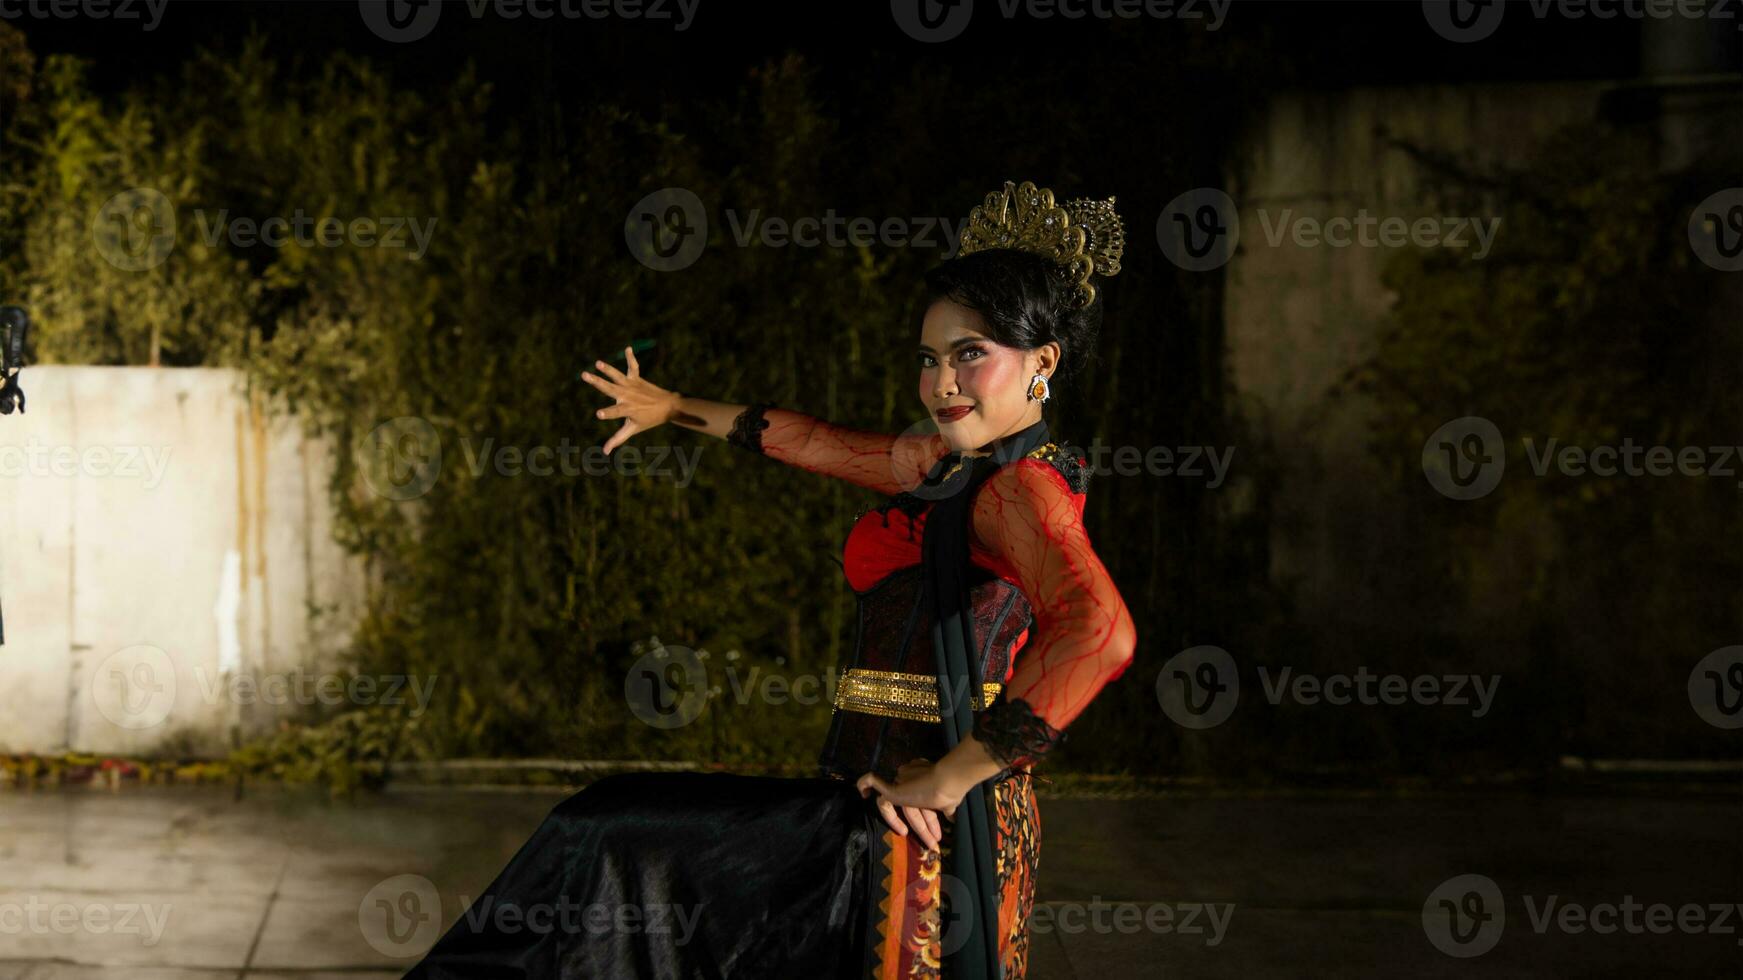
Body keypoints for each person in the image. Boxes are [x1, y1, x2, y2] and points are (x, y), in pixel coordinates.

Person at [404, 180, 1137, 979]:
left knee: (605, 837)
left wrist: (955, 774)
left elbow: (1098, 632)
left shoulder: (1018, 489)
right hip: (862, 810)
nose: (941, 383)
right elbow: (816, 442)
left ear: (1043, 363)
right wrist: (675, 407)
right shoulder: (949, 466)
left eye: (970, 355)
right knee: (614, 856)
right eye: (929, 360)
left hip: (919, 832)